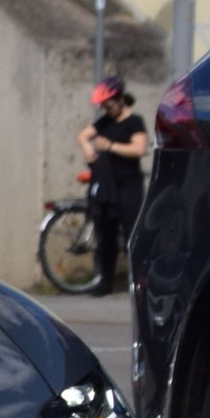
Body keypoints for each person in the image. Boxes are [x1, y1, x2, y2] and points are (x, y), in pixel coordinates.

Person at [75, 77, 148, 295]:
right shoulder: (105, 121)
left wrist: (111, 146)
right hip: (108, 188)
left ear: (120, 100)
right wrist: (87, 148)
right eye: (103, 107)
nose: (106, 110)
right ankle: (105, 281)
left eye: (108, 105)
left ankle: (139, 282)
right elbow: (83, 136)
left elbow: (139, 149)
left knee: (131, 235)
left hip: (128, 186)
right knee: (106, 236)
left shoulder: (134, 122)